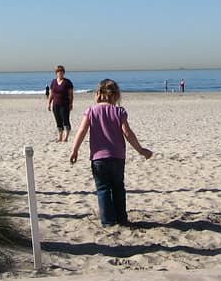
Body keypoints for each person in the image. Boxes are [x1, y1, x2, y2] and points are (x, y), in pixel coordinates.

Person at [69, 79, 152, 226]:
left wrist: (75, 150)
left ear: (98, 94)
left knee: (103, 189)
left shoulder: (91, 111)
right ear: (115, 96)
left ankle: (107, 221)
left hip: (98, 158)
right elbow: (127, 133)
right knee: (118, 188)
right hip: (117, 157)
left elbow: (81, 131)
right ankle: (121, 218)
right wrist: (140, 150)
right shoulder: (119, 111)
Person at [47, 65, 74, 141]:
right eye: (58, 72)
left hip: (64, 104)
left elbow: (71, 94)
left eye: (61, 71)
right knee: (58, 121)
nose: (60, 73)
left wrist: (71, 103)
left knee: (65, 120)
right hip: (55, 104)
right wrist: (49, 103)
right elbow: (51, 93)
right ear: (56, 73)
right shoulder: (53, 82)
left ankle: (66, 137)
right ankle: (60, 137)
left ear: (64, 73)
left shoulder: (67, 82)